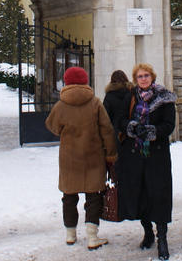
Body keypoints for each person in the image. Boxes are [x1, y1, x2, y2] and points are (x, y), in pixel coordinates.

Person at [45, 66, 117, 250]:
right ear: (85, 81)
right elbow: (107, 130)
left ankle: (70, 234)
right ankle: (92, 236)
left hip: (69, 159)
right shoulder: (95, 103)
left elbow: (52, 126)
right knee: (93, 197)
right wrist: (111, 154)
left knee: (69, 196)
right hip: (93, 157)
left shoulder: (61, 105)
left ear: (66, 81)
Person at [117, 63, 177, 261]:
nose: (143, 79)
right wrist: (132, 127)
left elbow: (169, 125)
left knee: (159, 196)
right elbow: (120, 120)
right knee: (140, 194)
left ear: (152, 77)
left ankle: (162, 239)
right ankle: (148, 232)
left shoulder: (164, 98)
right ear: (135, 79)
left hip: (156, 155)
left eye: (146, 75)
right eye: (140, 76)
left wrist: (152, 131)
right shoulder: (130, 97)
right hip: (135, 156)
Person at [103, 69, 132, 146]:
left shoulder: (109, 96)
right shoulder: (131, 93)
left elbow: (105, 117)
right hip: (130, 130)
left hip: (115, 132)